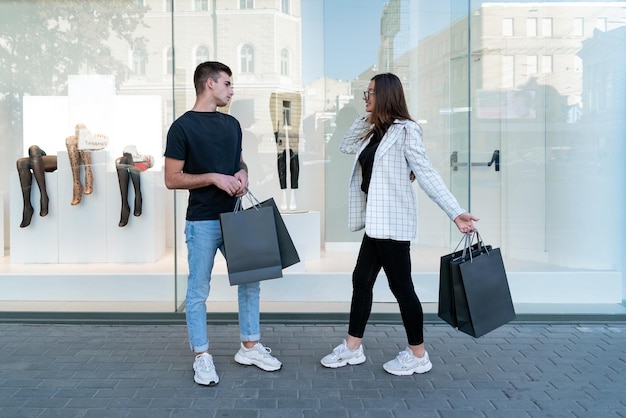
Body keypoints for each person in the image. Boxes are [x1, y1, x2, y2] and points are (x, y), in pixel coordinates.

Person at [320, 73, 478, 376]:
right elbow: (345, 145)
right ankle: (353, 347)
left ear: (387, 96)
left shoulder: (406, 132)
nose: (365, 99)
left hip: (392, 224)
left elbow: (427, 174)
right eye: (365, 94)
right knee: (361, 281)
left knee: (402, 287)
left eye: (370, 94)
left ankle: (418, 354)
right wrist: (367, 117)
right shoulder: (375, 130)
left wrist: (455, 212)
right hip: (375, 223)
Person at [164, 61, 282, 387]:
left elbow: (237, 161)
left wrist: (243, 172)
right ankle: (202, 356)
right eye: (228, 84)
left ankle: (250, 347)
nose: (232, 90)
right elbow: (172, 179)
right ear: (210, 84)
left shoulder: (232, 125)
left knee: (251, 281)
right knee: (198, 291)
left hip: (236, 217)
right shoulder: (181, 127)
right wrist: (213, 178)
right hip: (201, 222)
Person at [16, 145, 58, 228]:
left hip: (60, 159)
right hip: (40, 158)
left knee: (33, 148)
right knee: (20, 162)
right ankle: (27, 205)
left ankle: (43, 195)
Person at [115, 145, 154, 227]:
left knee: (126, 162)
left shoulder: (143, 156)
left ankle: (125, 204)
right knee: (125, 161)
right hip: (133, 163)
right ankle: (137, 195)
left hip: (138, 163)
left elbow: (151, 161)